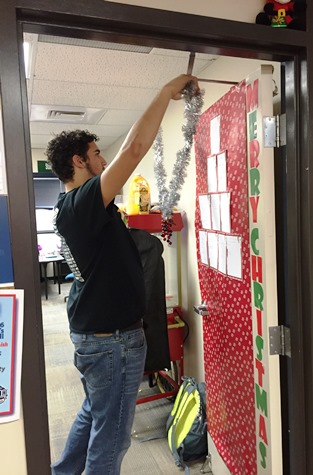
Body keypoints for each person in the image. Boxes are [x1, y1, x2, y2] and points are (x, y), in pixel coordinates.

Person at [46, 74, 199, 475]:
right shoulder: (82, 204)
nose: (103, 160)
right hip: (111, 342)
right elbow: (134, 149)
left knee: (94, 415)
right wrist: (166, 91)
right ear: (78, 162)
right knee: (112, 438)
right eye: (97, 154)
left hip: (98, 335)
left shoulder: (72, 208)